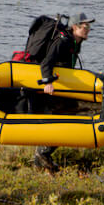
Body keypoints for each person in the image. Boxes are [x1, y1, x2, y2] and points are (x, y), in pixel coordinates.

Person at [27, 13, 93, 172]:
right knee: (66, 120)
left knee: (67, 117)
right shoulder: (63, 40)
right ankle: (43, 152)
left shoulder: (76, 42)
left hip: (63, 86)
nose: (88, 30)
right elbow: (47, 63)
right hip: (53, 86)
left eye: (89, 27)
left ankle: (40, 159)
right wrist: (48, 82)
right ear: (75, 27)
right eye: (85, 27)